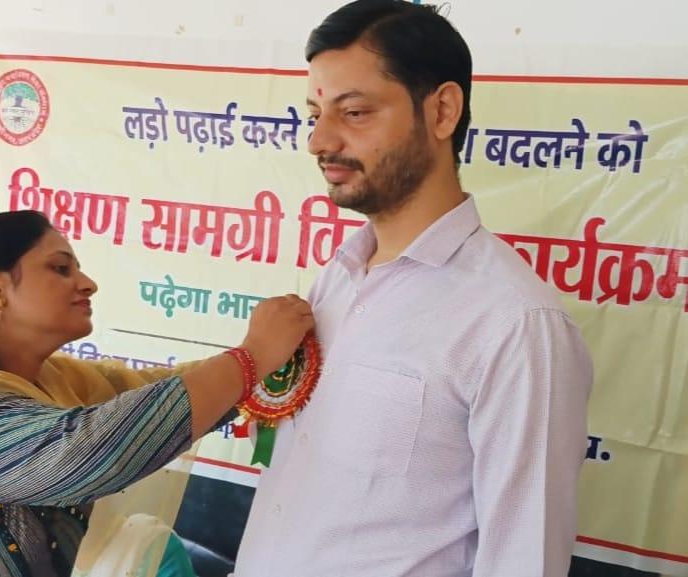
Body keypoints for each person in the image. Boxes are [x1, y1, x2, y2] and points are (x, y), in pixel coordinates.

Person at [234, 2, 593, 576]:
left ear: (443, 111)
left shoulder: (517, 324)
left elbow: (524, 560)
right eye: (315, 114)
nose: (318, 140)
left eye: (354, 112)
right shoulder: (339, 277)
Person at [0, 210, 314, 577]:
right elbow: (83, 452)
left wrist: (276, 363)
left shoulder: (57, 380)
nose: (88, 284)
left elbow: (158, 391)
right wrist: (251, 358)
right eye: (61, 269)